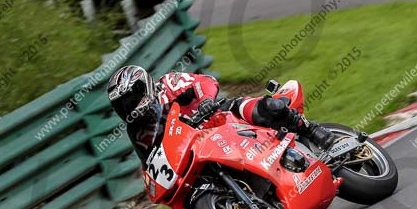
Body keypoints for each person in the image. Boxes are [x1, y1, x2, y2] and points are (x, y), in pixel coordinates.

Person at [106, 65, 337, 166]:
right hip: (200, 151)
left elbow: (204, 81)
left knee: (268, 108)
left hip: (220, 117)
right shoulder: (137, 130)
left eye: (130, 99)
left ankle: (313, 131)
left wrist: (206, 101)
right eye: (121, 105)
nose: (128, 107)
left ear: (143, 87)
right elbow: (149, 162)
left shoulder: (168, 84)